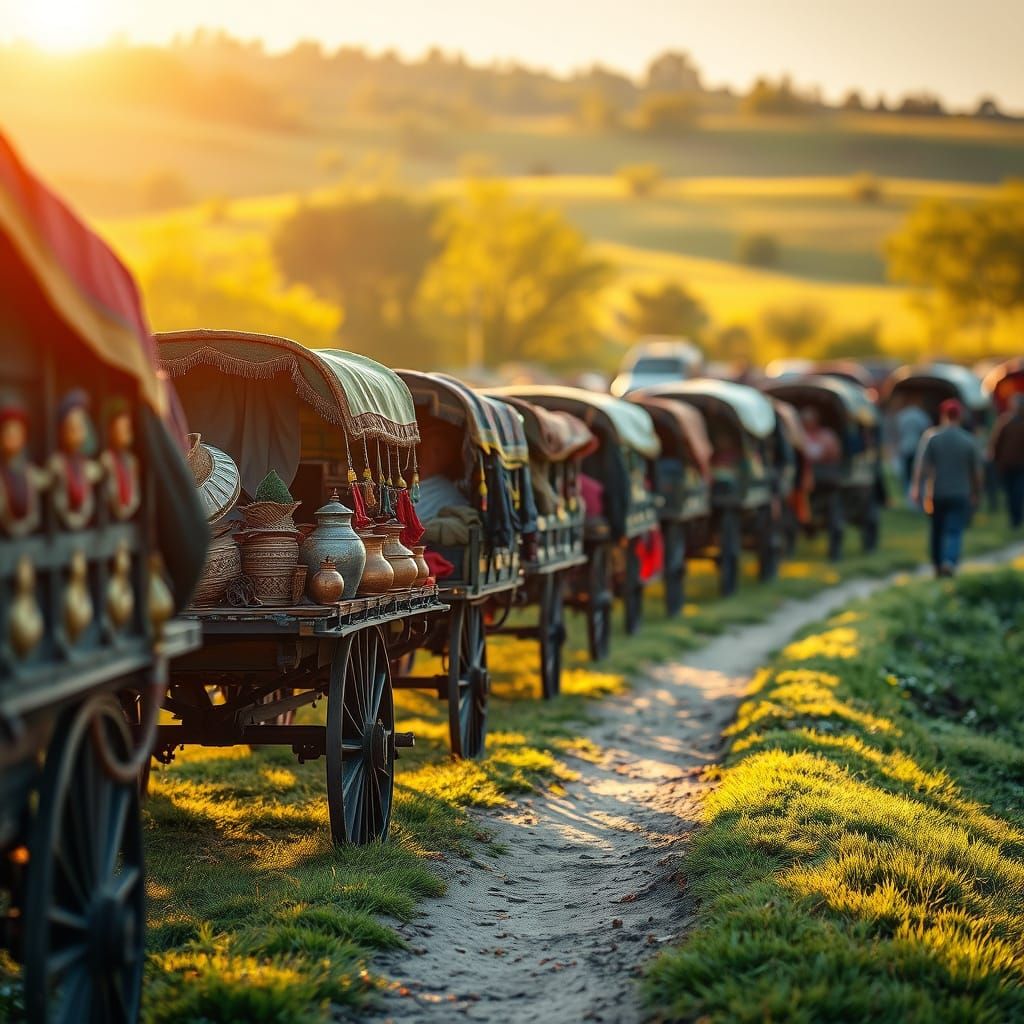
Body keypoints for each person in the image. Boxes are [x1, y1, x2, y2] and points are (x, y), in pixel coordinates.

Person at [911, 398, 983, 577]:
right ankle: (949, 561)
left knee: (937, 530)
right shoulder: (968, 440)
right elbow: (977, 472)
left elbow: (922, 467)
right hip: (961, 492)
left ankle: (936, 565)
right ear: (960, 416)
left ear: (943, 415)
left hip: (937, 492)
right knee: (954, 530)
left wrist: (916, 488)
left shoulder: (932, 437)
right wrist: (976, 492)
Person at [990, 393, 1024, 529]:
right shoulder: (1005, 421)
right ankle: (1014, 519)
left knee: (1017, 493)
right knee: (1010, 493)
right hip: (1007, 465)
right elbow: (996, 443)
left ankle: (1017, 519)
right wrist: (996, 459)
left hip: (1021, 466)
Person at [895, 398, 932, 491]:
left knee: (907, 473)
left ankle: (908, 493)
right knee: (917, 470)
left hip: (905, 446)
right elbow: (927, 431)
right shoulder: (921, 415)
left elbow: (898, 432)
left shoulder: (902, 415)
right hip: (918, 447)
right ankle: (917, 490)